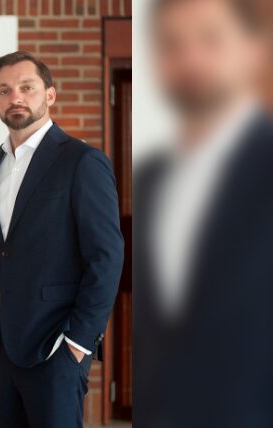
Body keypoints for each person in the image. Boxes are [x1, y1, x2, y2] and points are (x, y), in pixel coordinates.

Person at [0, 51, 124, 427]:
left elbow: (106, 257)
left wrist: (78, 343)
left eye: (26, 87)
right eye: (4, 90)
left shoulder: (82, 162)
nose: (15, 97)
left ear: (49, 95)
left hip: (54, 349)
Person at [135, 0, 273, 425]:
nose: (190, 58)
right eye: (172, 44)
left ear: (254, 49)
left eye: (211, 38)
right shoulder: (153, 180)